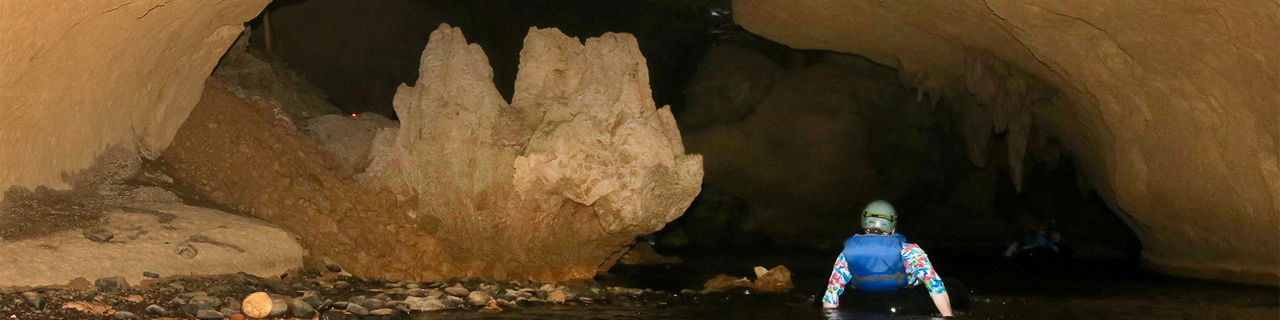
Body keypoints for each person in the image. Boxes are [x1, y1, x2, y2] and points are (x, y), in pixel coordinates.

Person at [821, 200, 954, 317]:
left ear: (863, 222)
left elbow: (831, 293)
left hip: (863, 297)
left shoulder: (847, 252)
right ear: (893, 227)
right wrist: (948, 316)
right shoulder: (910, 250)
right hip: (905, 295)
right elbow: (935, 285)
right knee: (925, 277)